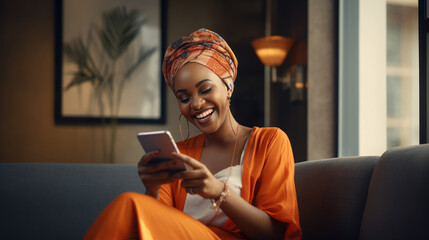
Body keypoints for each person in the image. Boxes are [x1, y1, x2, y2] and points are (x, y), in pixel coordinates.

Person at [84, 28, 301, 240]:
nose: (196, 104)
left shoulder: (270, 142)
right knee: (131, 205)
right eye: (184, 98)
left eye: (205, 90)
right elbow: (156, 226)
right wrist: (152, 189)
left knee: (128, 203)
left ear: (228, 86)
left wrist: (219, 192)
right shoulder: (178, 153)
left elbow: (276, 234)